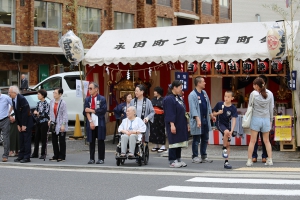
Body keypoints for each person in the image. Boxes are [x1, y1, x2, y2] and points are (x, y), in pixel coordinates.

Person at [246, 77, 273, 167]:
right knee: (266, 141)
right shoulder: (270, 94)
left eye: (254, 85)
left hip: (256, 118)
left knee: (253, 141)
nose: (253, 86)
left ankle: (249, 160)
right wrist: (271, 120)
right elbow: (271, 109)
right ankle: (270, 159)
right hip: (266, 119)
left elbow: (250, 106)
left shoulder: (253, 94)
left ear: (257, 86)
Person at [188, 76, 215, 164]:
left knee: (205, 138)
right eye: (203, 82)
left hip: (205, 119)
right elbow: (193, 109)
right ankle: (195, 156)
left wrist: (211, 115)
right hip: (198, 120)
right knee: (196, 139)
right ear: (198, 83)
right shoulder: (192, 95)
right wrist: (198, 119)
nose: (205, 83)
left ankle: (204, 156)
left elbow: (208, 105)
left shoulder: (204, 93)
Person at [163, 80, 189, 168]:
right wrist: (172, 124)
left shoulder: (178, 97)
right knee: (173, 142)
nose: (181, 89)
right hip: (174, 123)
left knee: (179, 142)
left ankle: (178, 159)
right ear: (175, 88)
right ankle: (172, 160)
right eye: (180, 87)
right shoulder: (169, 99)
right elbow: (170, 113)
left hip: (180, 122)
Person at [212, 91, 238, 169]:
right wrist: (218, 113)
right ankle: (223, 148)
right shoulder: (219, 104)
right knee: (226, 132)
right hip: (220, 124)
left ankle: (226, 162)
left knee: (228, 144)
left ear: (232, 98)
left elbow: (234, 120)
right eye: (225, 96)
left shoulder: (233, 108)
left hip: (227, 125)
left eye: (228, 97)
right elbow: (213, 113)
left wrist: (232, 130)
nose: (226, 98)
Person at [83, 82, 107, 164]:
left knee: (100, 140)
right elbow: (85, 111)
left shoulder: (102, 99)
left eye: (91, 88)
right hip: (91, 121)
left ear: (96, 89)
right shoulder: (87, 99)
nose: (89, 90)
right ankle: (91, 158)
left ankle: (101, 158)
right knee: (91, 141)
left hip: (99, 122)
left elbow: (103, 110)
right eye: (89, 88)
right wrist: (90, 121)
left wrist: (92, 110)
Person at [9, 86, 33, 163]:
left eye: (10, 92)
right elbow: (16, 112)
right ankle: (21, 156)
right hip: (20, 122)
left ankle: (27, 157)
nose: (9, 93)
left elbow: (25, 112)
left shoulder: (21, 99)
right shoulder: (13, 99)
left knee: (26, 140)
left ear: (15, 93)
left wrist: (24, 125)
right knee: (21, 140)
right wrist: (18, 124)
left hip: (26, 122)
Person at [48, 88, 68, 162]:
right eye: (54, 93)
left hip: (61, 123)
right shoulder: (51, 101)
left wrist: (63, 124)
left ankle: (62, 156)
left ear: (60, 94)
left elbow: (65, 115)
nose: (54, 94)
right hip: (54, 123)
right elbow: (51, 112)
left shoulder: (63, 103)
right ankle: (55, 155)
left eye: (56, 93)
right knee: (54, 140)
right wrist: (50, 119)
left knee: (62, 140)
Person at [31, 89, 50, 159]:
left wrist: (38, 113)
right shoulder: (38, 103)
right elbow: (35, 112)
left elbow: (45, 114)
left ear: (43, 95)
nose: (37, 95)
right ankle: (35, 153)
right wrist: (37, 114)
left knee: (43, 138)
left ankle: (43, 153)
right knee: (36, 138)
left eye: (39, 94)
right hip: (38, 122)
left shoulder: (46, 104)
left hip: (44, 122)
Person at [149, 86, 166, 153]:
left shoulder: (163, 100)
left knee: (161, 131)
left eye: (155, 91)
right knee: (154, 131)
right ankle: (156, 145)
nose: (154, 92)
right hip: (154, 117)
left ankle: (163, 145)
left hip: (161, 117)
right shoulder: (153, 100)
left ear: (159, 92)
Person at [0, 89, 13, 162]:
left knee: (6, 138)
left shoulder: (5, 97)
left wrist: (10, 113)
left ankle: (5, 155)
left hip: (4, 119)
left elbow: (13, 104)